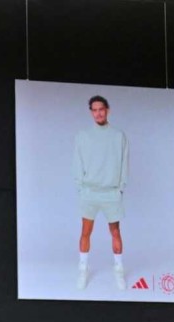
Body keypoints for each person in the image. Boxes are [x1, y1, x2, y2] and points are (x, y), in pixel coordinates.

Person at [72, 94, 129, 291]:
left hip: (111, 192)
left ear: (107, 110)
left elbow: (124, 162)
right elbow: (77, 162)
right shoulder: (82, 136)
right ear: (91, 112)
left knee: (115, 232)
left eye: (101, 109)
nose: (98, 113)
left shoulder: (118, 136)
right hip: (89, 191)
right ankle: (82, 270)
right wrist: (81, 187)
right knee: (85, 231)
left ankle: (119, 270)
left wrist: (120, 187)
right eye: (94, 110)